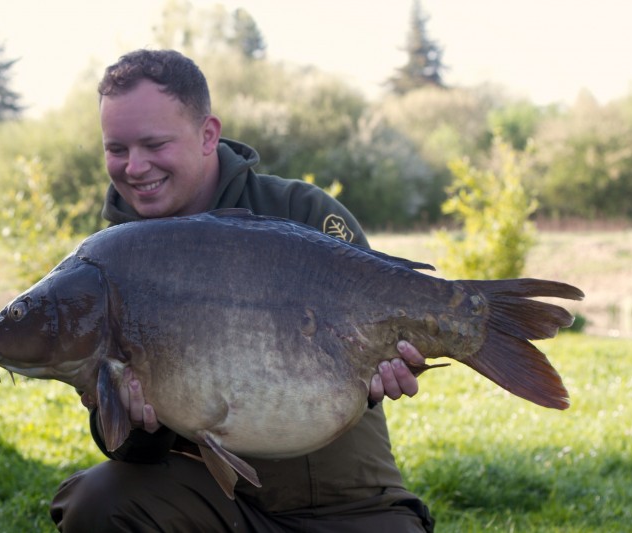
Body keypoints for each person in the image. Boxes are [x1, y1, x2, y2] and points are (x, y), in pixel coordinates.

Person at [50, 49, 434, 532]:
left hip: (348, 504)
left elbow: (386, 318)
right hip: (214, 502)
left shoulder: (299, 210)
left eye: (154, 144)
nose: (135, 166)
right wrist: (137, 426)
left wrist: (395, 364)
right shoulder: (114, 259)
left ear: (208, 134)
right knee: (98, 502)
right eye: (117, 149)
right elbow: (125, 442)